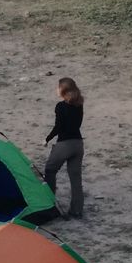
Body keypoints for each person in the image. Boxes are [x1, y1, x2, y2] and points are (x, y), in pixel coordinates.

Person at [43, 77, 85, 219]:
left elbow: (59, 126)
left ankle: (49, 206)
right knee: (75, 178)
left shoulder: (60, 106)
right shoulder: (79, 104)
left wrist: (47, 138)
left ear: (63, 90)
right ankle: (77, 210)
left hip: (64, 144)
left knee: (50, 170)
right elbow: (77, 124)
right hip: (78, 144)